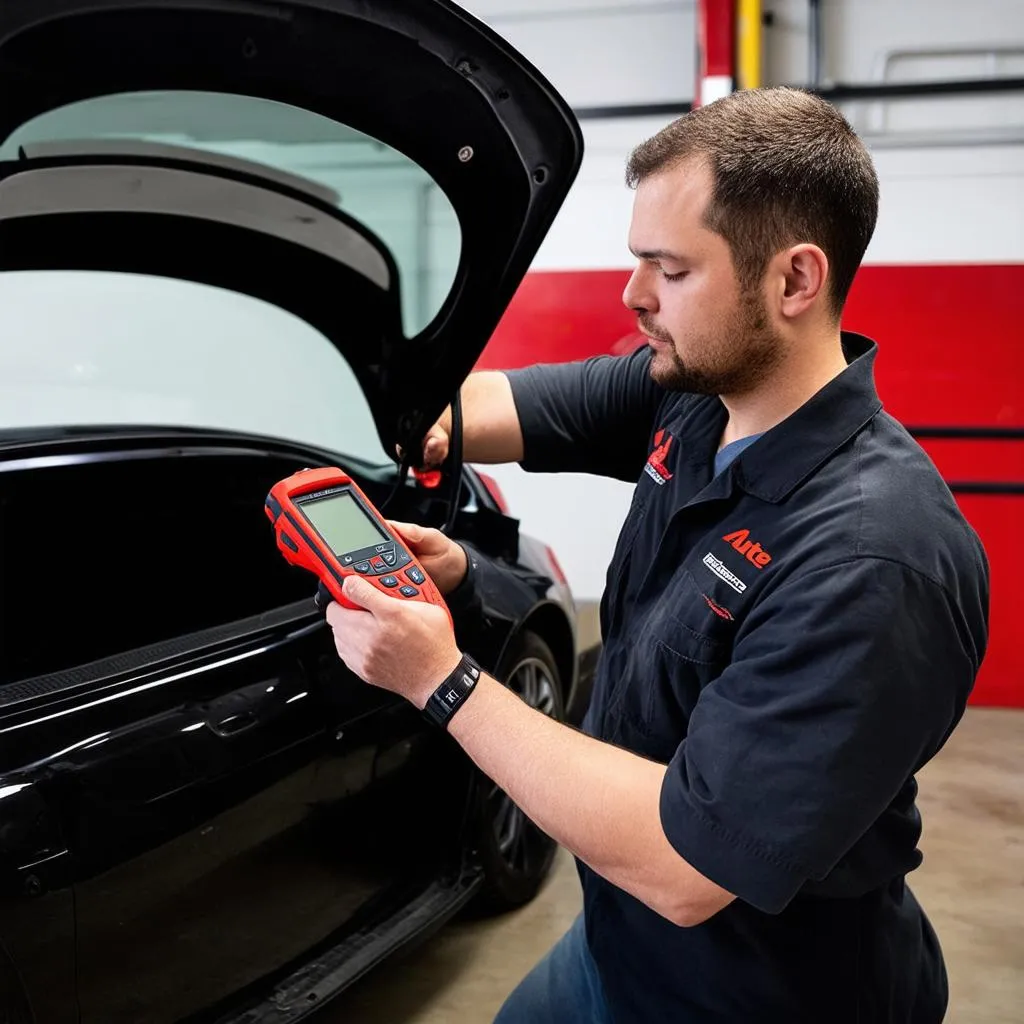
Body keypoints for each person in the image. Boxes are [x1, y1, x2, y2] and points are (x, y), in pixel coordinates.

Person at [322, 87, 989, 1023]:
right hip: (617, 943)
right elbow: (490, 412)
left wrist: (440, 678)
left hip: (755, 993)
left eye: (667, 270)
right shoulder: (695, 393)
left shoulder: (875, 560)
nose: (632, 297)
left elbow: (685, 865)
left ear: (795, 281)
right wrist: (371, 429)